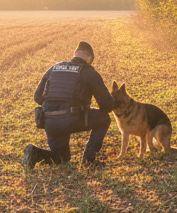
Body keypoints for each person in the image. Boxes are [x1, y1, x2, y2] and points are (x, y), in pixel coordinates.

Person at [23, 41, 114, 169]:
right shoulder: (88, 71)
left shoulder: (54, 67)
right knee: (104, 119)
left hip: (49, 121)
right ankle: (88, 161)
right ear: (89, 58)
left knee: (61, 158)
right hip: (71, 118)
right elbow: (107, 106)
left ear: (75, 54)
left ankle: (34, 153)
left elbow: (37, 98)